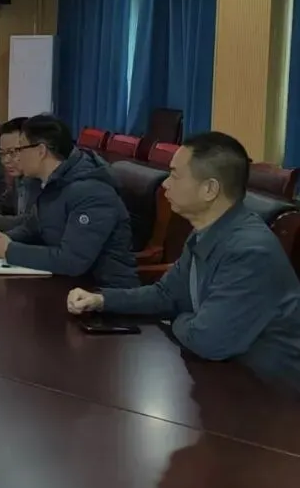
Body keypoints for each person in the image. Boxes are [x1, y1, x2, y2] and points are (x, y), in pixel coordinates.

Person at [68, 132, 300, 391]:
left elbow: (208, 340)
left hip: (273, 395)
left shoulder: (250, 252)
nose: (166, 184)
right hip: (225, 378)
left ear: (209, 189)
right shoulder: (207, 231)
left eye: (175, 175)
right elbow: (166, 295)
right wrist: (102, 300)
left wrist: (178, 318)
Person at [0, 114, 138, 288]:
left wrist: (10, 250)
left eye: (20, 149)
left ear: (41, 151)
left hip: (104, 292)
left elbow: (72, 261)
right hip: (65, 285)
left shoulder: (92, 192)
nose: (16, 158)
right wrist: (4, 239)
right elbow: (32, 228)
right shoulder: (47, 182)